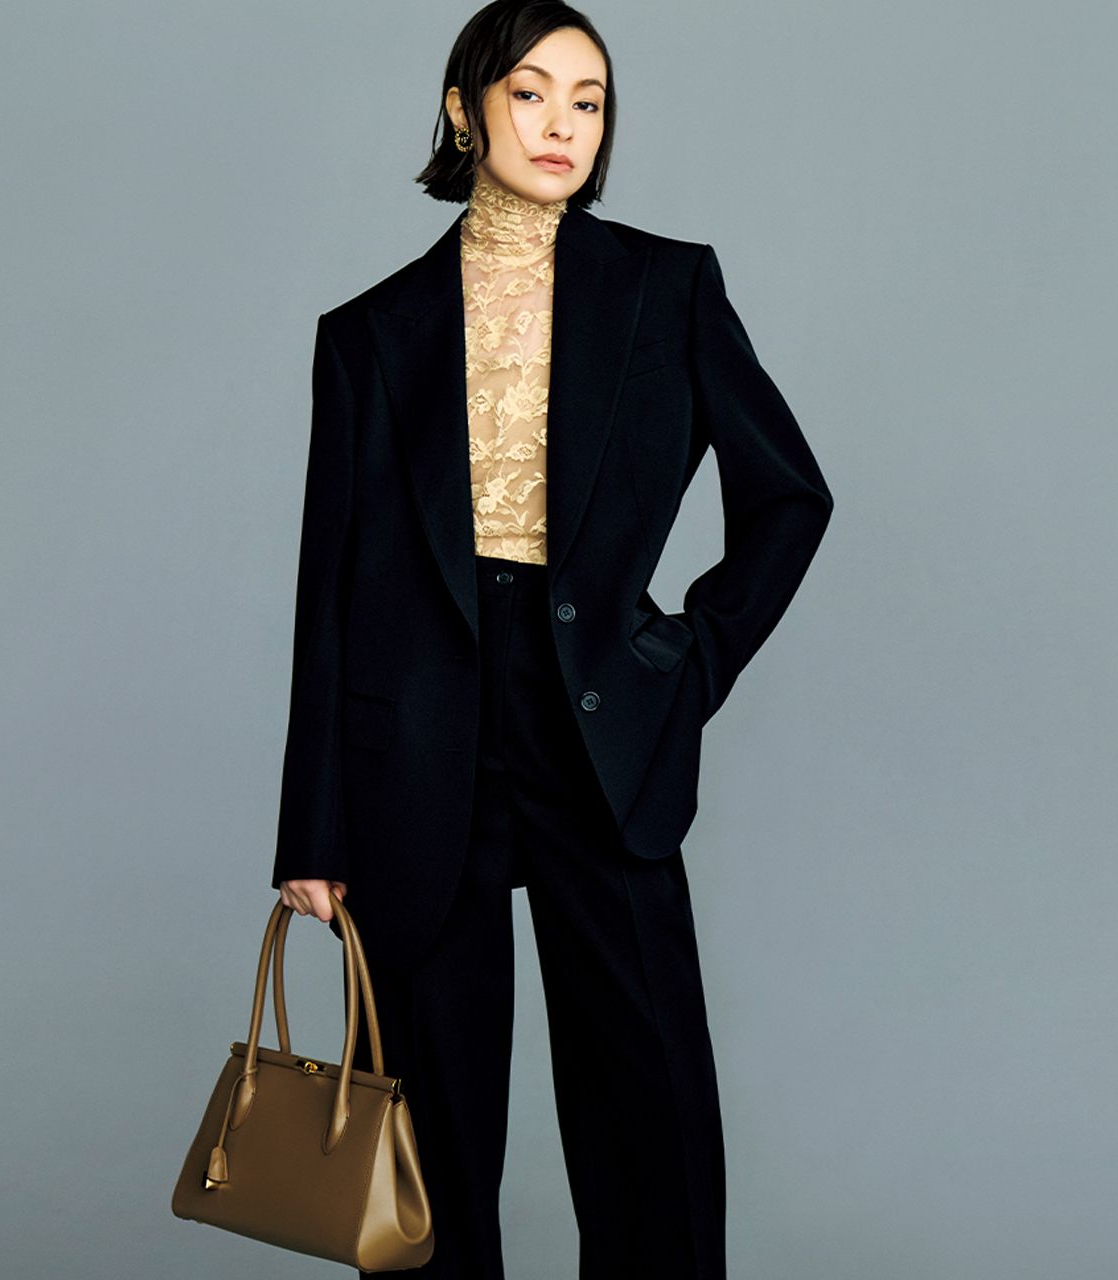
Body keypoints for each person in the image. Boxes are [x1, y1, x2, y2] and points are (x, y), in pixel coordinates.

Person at [270, 3, 833, 1275]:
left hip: (601, 720)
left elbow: (790, 496)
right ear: (465, 109)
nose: (562, 125)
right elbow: (330, 591)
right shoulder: (367, 336)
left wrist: (687, 662)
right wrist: (312, 828)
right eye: (530, 93)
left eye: (588, 100)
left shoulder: (667, 287)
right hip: (420, 733)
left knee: (649, 1117)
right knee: (429, 1139)